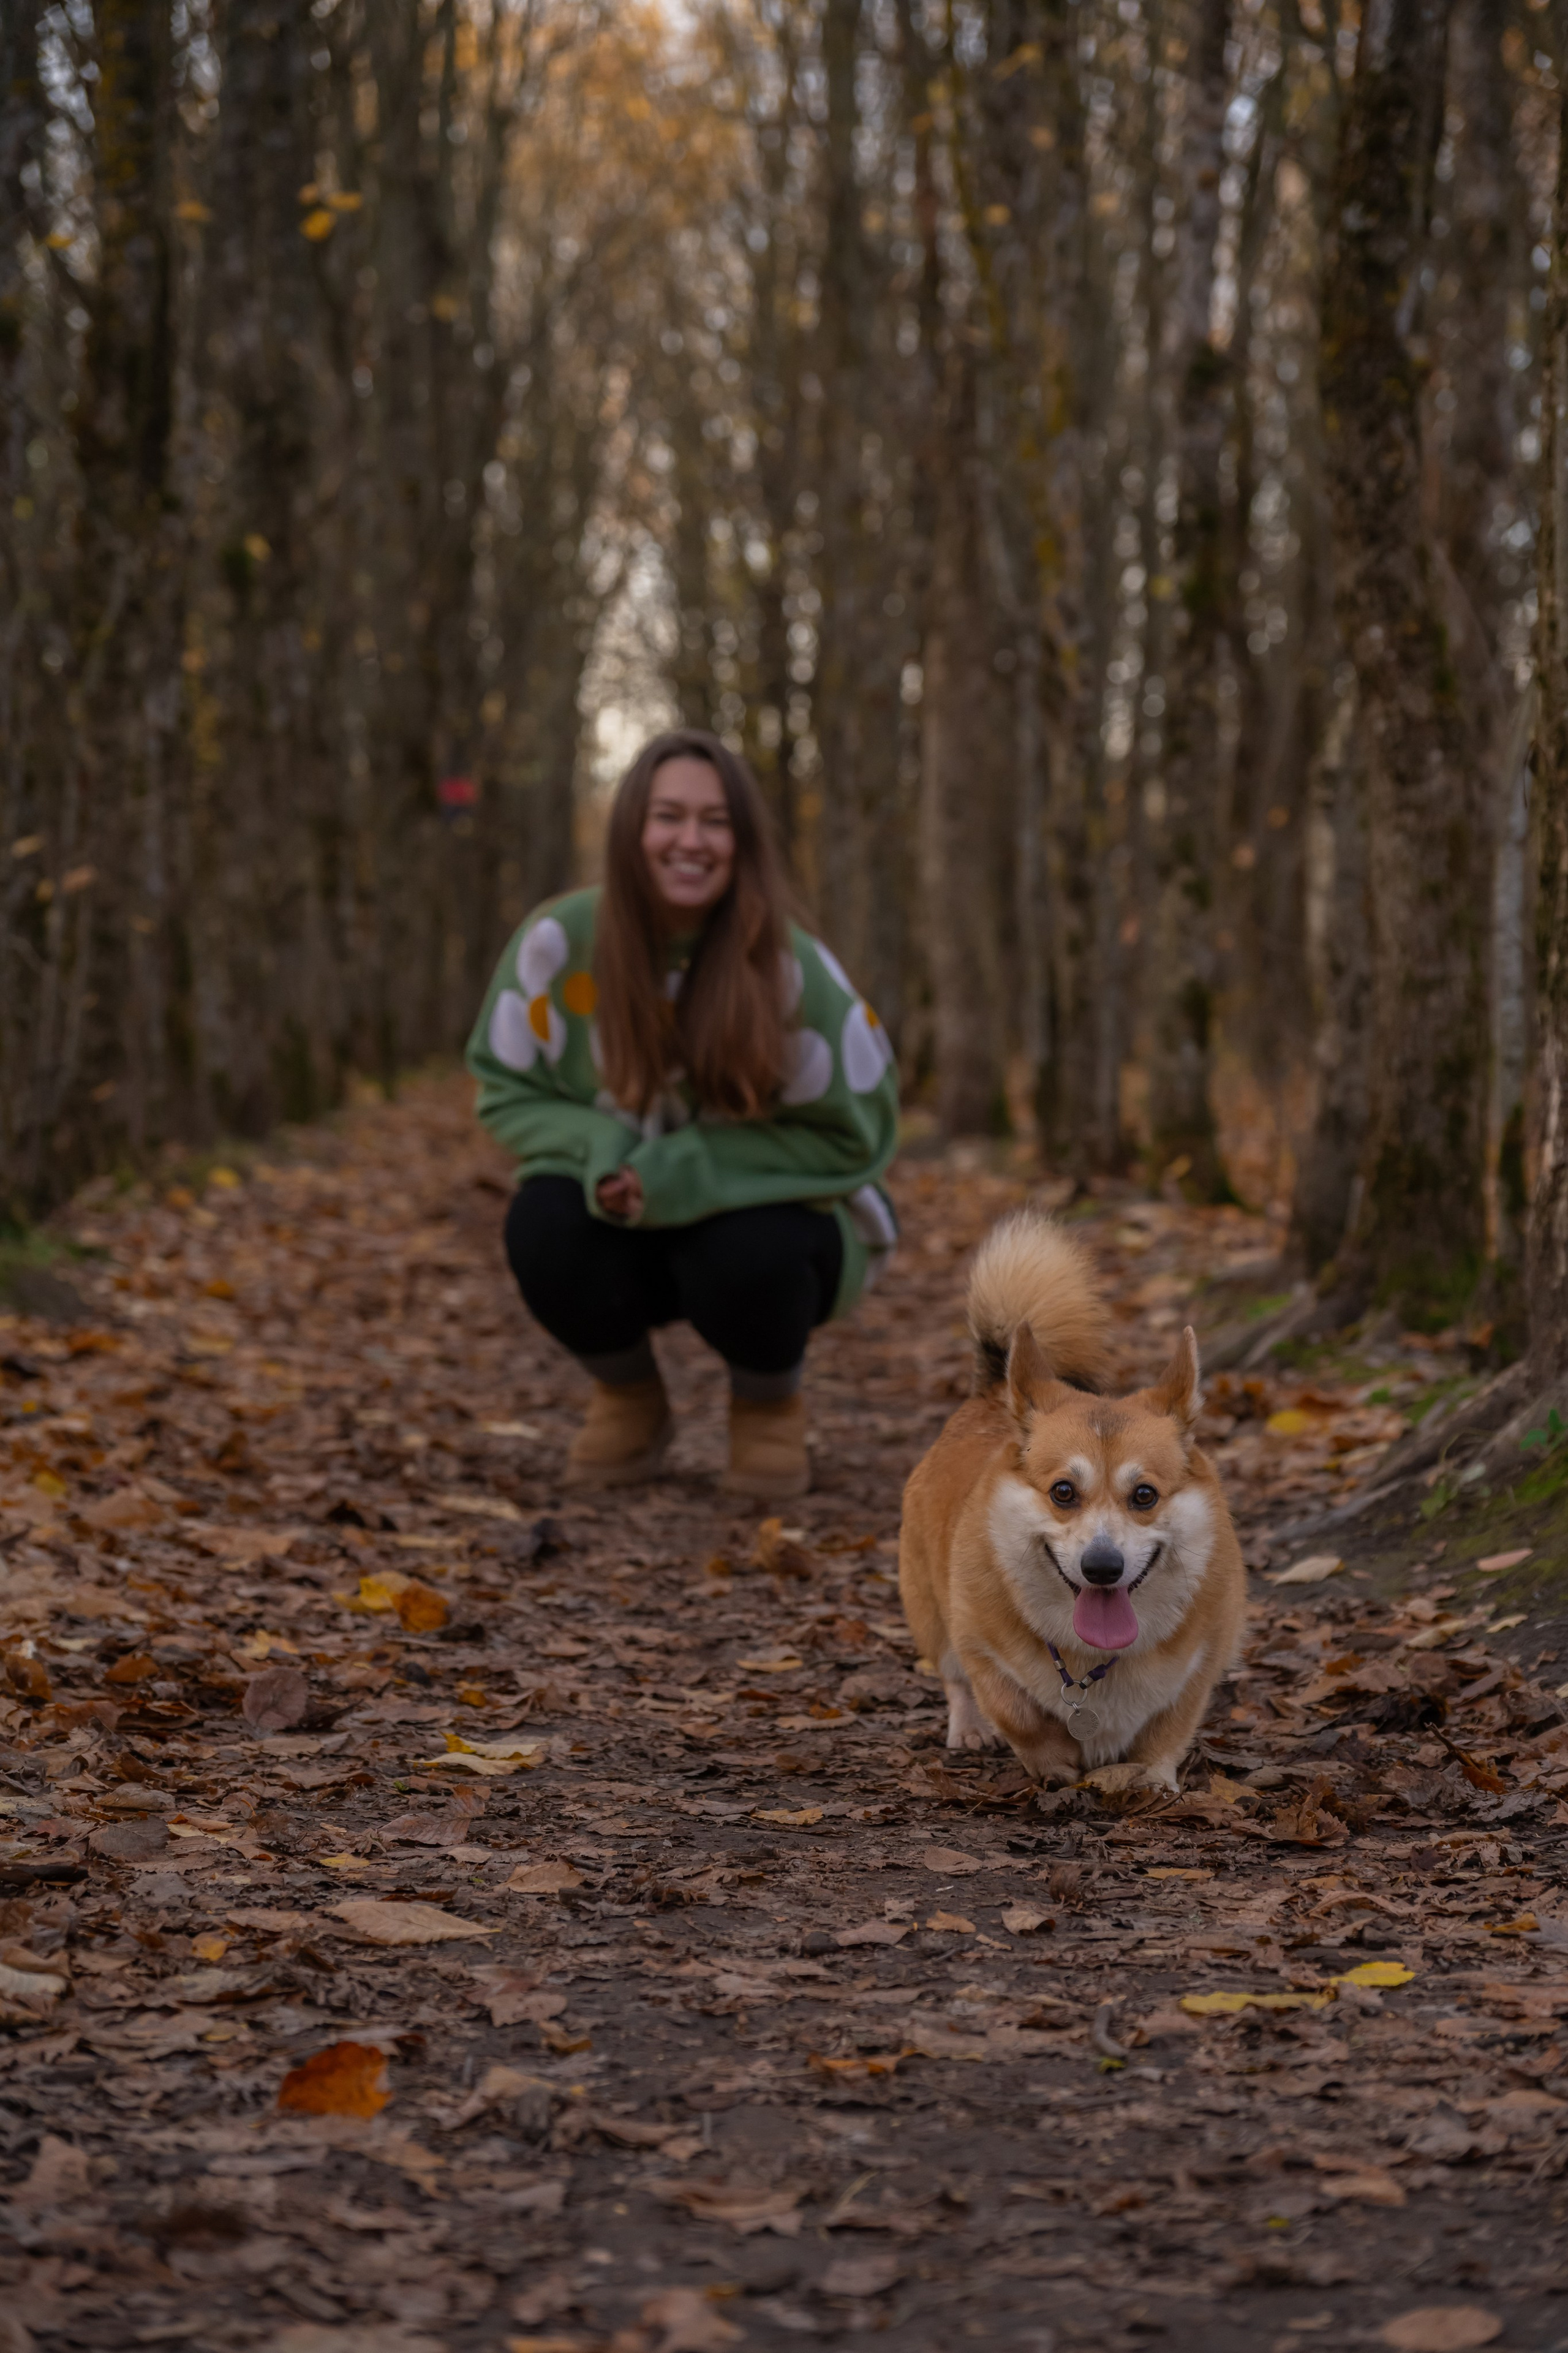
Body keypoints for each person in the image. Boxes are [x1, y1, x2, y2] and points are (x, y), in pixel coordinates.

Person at [467, 727, 900, 1500]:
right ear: (632, 828)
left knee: (748, 1245)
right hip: (621, 1221)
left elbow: (859, 1132)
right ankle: (628, 1397)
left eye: (715, 821)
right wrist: (604, 1147)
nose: (690, 841)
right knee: (543, 1223)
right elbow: (505, 1087)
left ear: (742, 841)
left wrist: (682, 1172)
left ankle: (768, 1405)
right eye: (669, 816)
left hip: (767, 1241)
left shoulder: (790, 967)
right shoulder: (556, 943)